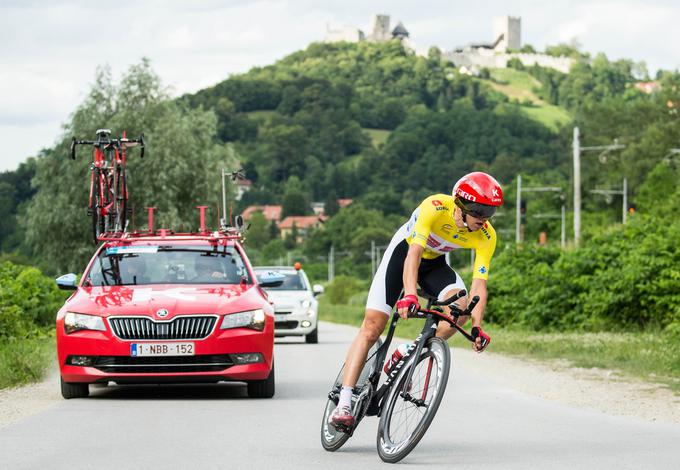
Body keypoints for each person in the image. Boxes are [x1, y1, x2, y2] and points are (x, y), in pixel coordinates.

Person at [328, 171, 503, 430]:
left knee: (461, 312)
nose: (484, 219)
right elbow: (414, 254)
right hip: (403, 256)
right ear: (461, 205)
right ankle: (344, 401)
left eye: (490, 212)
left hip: (435, 266)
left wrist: (477, 326)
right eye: (478, 211)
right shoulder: (434, 207)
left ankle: (409, 351)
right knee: (373, 327)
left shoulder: (486, 235)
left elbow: (479, 284)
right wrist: (409, 294)